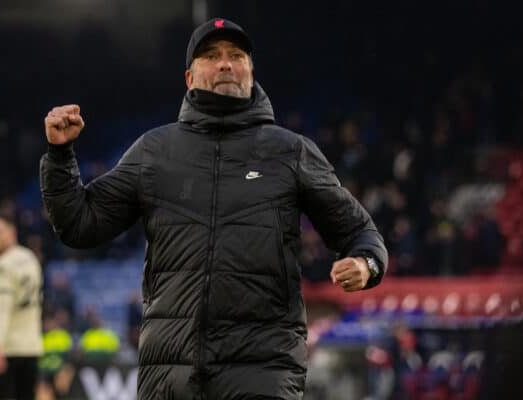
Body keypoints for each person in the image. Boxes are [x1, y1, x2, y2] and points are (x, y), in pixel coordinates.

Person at [40, 17, 387, 399]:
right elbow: (79, 224)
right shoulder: (154, 152)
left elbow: (360, 234)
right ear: (190, 78)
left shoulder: (290, 151)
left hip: (262, 370)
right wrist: (59, 156)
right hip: (170, 373)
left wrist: (365, 264)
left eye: (236, 55)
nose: (224, 63)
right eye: (211, 55)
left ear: (250, 72)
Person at [0, 213, 43, 399]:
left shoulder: (1, 265)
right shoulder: (30, 258)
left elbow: (1, 308)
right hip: (31, 347)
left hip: (5, 350)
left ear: (11, 232)